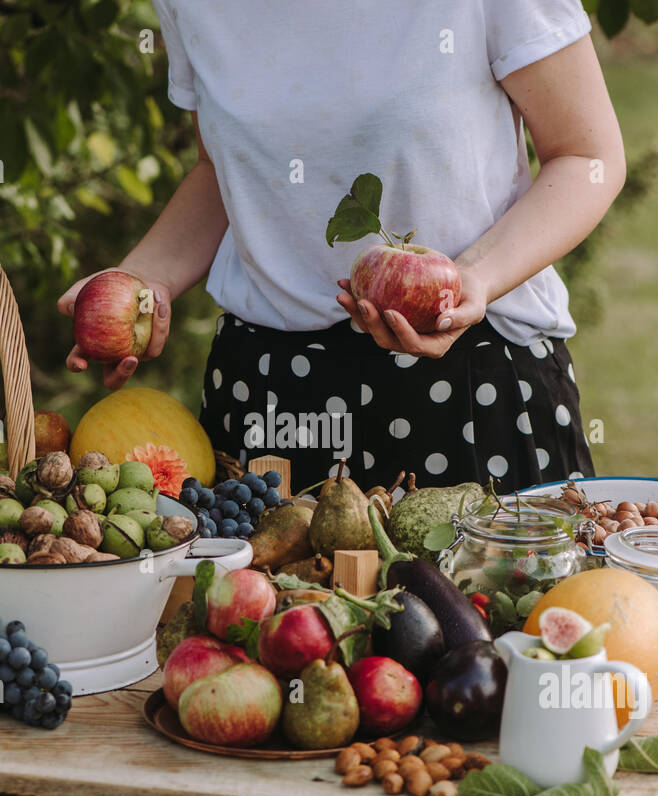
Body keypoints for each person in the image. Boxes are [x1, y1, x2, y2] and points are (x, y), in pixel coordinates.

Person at [59, 1, 624, 493]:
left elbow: (587, 156)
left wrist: (475, 275)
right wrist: (142, 279)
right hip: (269, 392)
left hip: (470, 382)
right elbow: (222, 173)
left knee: (489, 614)